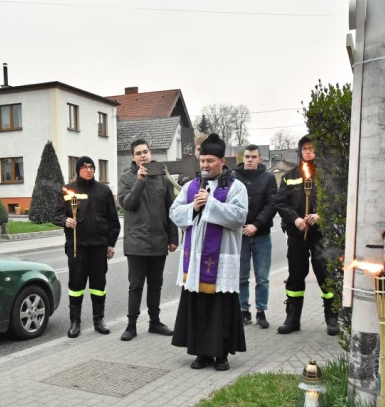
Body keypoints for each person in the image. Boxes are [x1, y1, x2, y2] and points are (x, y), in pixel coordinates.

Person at [169, 134, 248, 371]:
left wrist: (211, 203)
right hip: (195, 259)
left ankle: (221, 354)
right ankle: (201, 353)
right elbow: (174, 212)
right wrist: (194, 206)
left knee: (220, 307)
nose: (205, 165)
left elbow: (239, 217)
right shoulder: (190, 186)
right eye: (202, 160)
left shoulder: (236, 187)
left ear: (222, 161)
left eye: (210, 161)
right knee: (199, 306)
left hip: (220, 257)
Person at [275, 135, 339, 336]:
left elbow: (336, 200)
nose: (309, 151)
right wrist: (295, 219)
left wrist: (320, 215)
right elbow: (280, 202)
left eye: (312, 148)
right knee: (295, 274)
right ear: (300, 151)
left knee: (324, 273)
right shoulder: (290, 175)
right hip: (296, 233)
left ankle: (332, 317)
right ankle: (292, 318)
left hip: (320, 234)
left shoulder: (326, 174)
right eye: (305, 149)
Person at [117, 138, 179, 341]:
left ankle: (155, 322)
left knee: (156, 284)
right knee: (135, 286)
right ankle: (131, 325)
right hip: (137, 242)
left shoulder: (162, 177)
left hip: (159, 240)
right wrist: (140, 181)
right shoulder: (126, 178)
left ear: (150, 153)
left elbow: (171, 208)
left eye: (145, 152)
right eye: (138, 153)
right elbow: (127, 204)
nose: (143, 155)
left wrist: (173, 237)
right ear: (133, 157)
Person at [53, 156, 121, 338]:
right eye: (84, 167)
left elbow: (113, 220)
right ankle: (75, 322)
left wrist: (111, 244)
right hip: (77, 247)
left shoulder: (104, 190)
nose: (89, 170)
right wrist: (64, 220)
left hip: (99, 247)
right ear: (78, 170)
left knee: (99, 285)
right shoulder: (67, 190)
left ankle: (99, 320)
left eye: (91, 167)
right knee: (76, 285)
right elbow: (56, 215)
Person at [233, 144, 278, 329]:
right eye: (247, 156)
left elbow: (272, 204)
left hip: (262, 235)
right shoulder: (234, 177)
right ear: (242, 158)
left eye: (253, 157)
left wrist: (256, 225)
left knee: (262, 278)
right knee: (241, 277)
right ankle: (243, 310)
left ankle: (261, 311)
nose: (250, 160)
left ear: (260, 159)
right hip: (240, 235)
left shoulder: (268, 177)